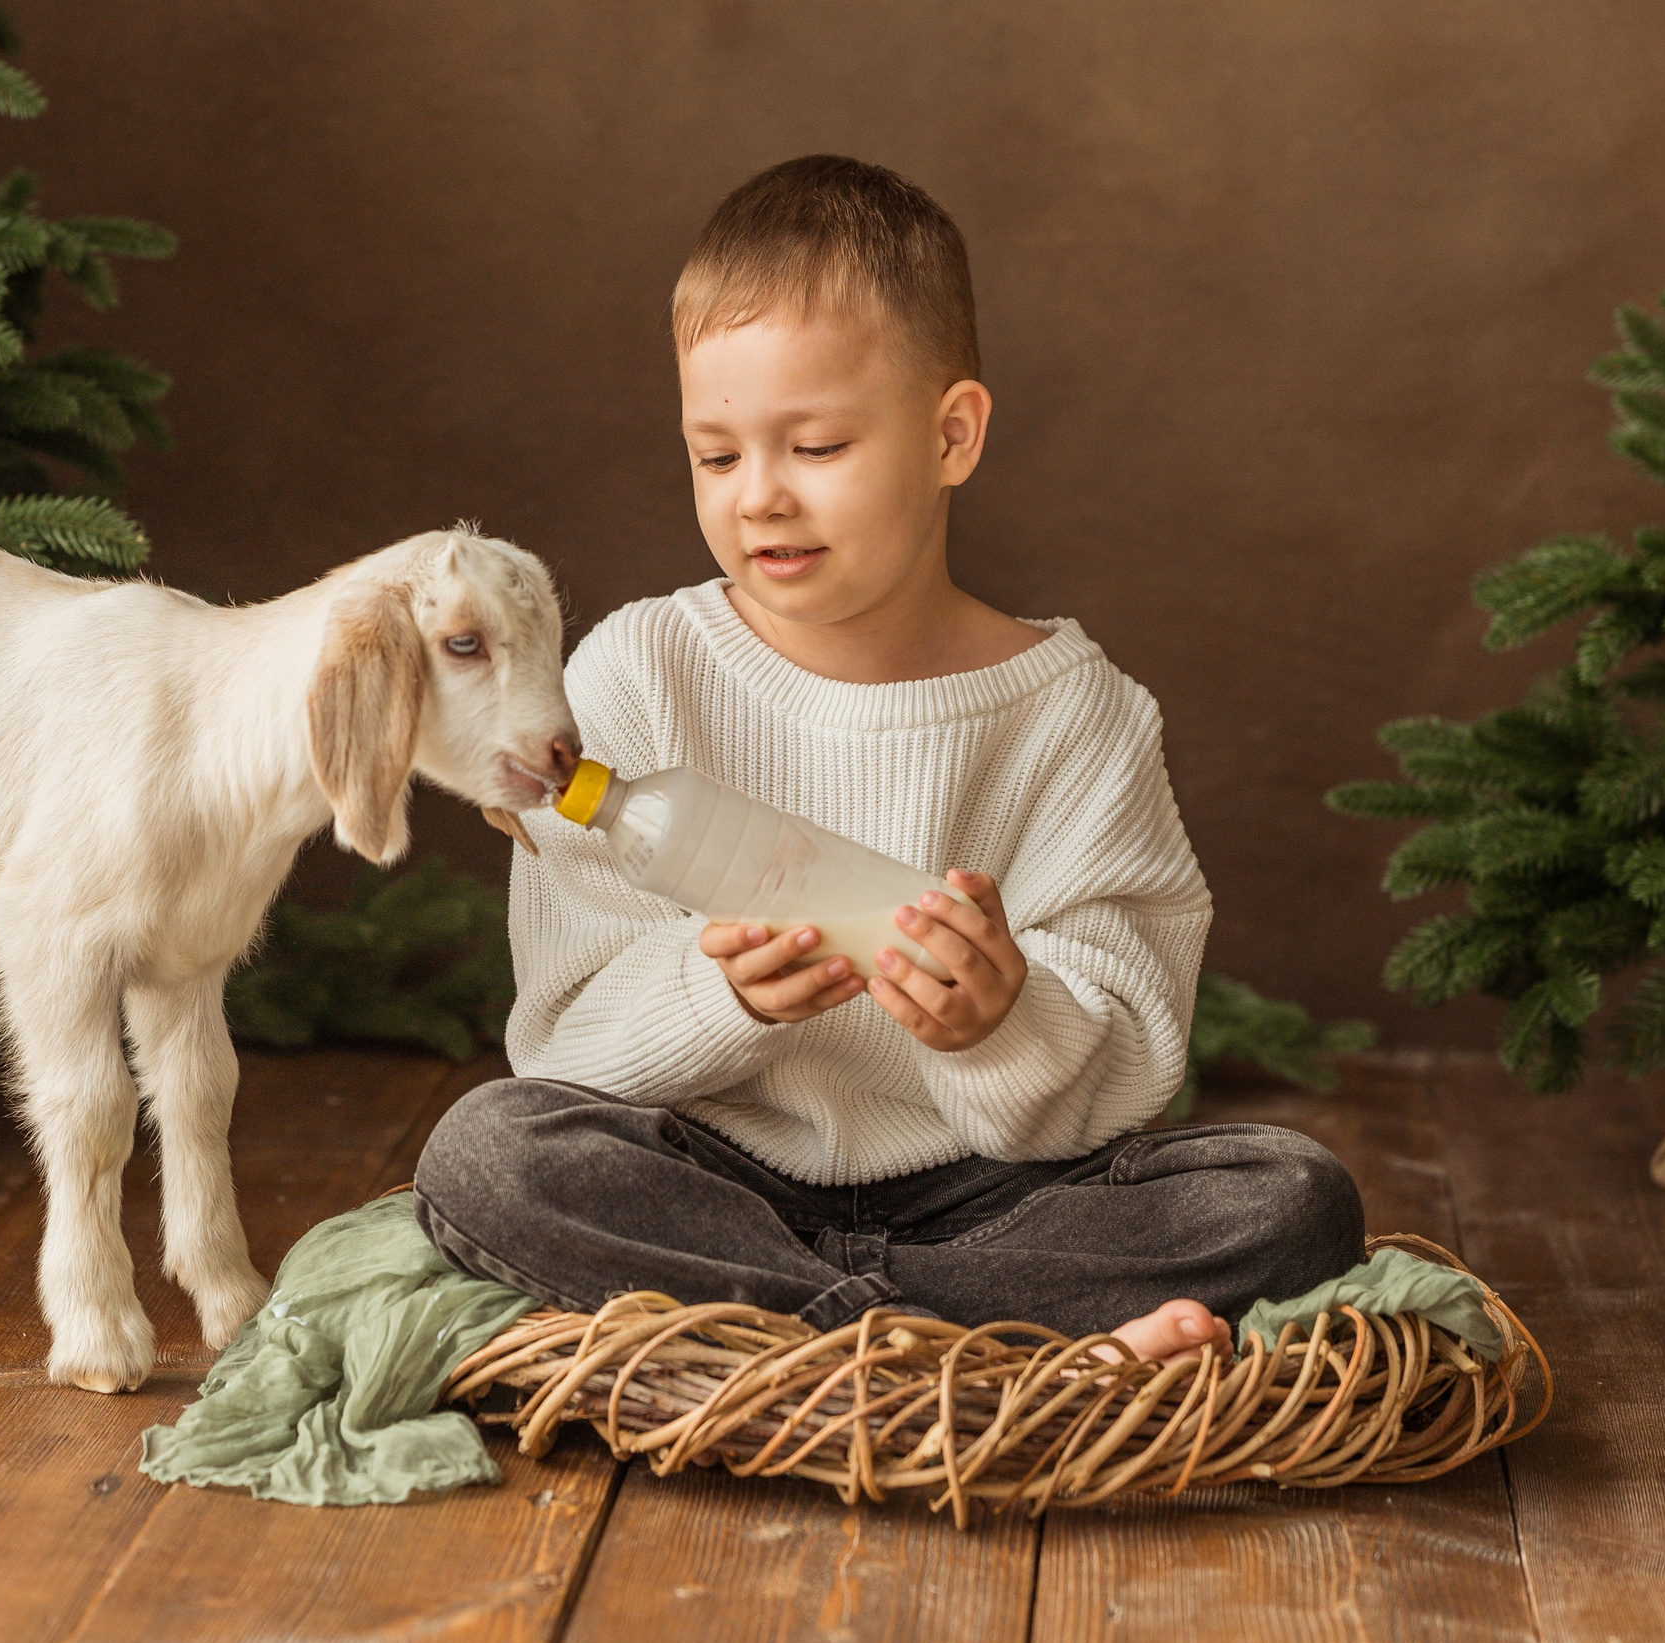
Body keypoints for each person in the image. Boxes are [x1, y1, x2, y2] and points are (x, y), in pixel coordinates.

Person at [411, 155, 1362, 1363]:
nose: (758, 499)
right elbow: (558, 1043)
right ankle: (982, 1359)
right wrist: (719, 998)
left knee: (1290, 1194)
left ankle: (795, 1349)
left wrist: (1004, 1020)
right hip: (715, 1180)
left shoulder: (1078, 716)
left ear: (952, 434)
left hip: (990, 1199)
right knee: (490, 1152)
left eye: (813, 447)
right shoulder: (635, 673)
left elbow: (1131, 1067)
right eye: (716, 456)